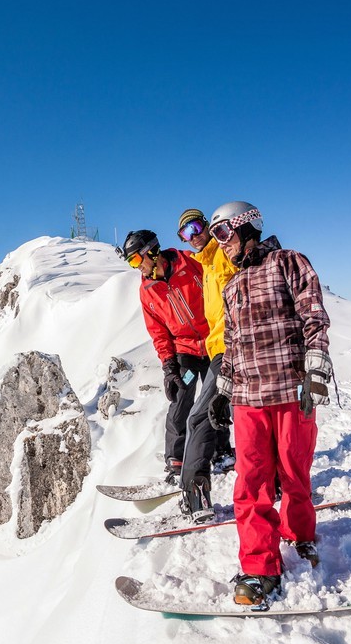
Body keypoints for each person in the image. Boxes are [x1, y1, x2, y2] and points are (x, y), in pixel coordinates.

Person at [205, 201, 333, 608]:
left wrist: (316, 371)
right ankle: (261, 567)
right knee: (250, 483)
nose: (221, 244)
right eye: (215, 237)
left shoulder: (288, 262)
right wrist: (222, 389)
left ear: (247, 228)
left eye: (224, 233)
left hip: (291, 390)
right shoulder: (231, 286)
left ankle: (300, 534)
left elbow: (314, 318)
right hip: (248, 399)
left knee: (295, 473)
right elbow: (232, 344)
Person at [121, 229, 210, 484]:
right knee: (182, 397)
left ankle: (221, 450)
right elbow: (158, 331)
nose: (136, 268)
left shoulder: (189, 262)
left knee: (217, 398)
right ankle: (176, 459)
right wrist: (169, 367)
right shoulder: (147, 290)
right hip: (186, 351)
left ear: (153, 251)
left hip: (214, 344)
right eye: (131, 263)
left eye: (137, 260)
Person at [172, 208, 238, 523]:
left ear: (209, 227)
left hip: (231, 348)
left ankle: (195, 497)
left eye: (197, 227)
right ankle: (276, 481)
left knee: (199, 419)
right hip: (217, 350)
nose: (193, 235)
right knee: (244, 417)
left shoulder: (224, 255)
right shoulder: (205, 263)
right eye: (186, 233)